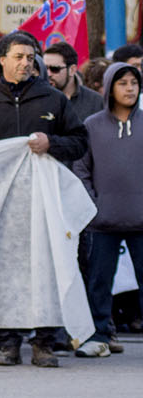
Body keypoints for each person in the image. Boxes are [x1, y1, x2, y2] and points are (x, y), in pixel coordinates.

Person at [0, 30, 89, 367]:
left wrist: (52, 144)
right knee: (1, 274)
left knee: (46, 269)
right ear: (1, 60)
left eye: (30, 58)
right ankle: (8, 342)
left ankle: (44, 343)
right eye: (17, 57)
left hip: (44, 204)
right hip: (0, 207)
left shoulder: (53, 100)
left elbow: (79, 142)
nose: (25, 63)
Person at [74, 61, 143, 358]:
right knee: (99, 281)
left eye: (134, 83)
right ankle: (98, 335)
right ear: (109, 88)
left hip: (141, 220)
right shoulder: (91, 125)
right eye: (122, 83)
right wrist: (93, 203)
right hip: (103, 220)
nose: (129, 89)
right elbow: (81, 167)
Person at [44, 42, 103, 123]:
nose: (48, 74)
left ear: (72, 70)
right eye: (45, 68)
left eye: (55, 69)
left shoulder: (96, 102)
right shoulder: (38, 100)